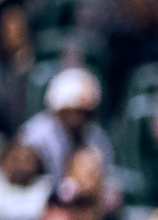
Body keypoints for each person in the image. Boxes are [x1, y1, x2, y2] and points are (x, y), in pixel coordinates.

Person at [17, 68, 115, 196]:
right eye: (76, 111)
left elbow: (107, 179)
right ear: (61, 109)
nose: (82, 118)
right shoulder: (36, 134)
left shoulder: (96, 137)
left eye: (87, 113)